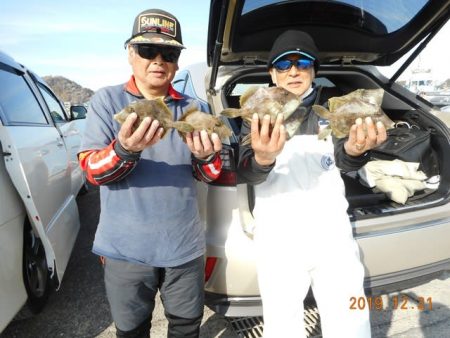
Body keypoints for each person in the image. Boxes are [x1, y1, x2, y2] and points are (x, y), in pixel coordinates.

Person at [77, 9, 223, 338]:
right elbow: (91, 170)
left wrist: (206, 155)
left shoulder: (194, 108)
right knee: (131, 330)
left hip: (184, 248)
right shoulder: (106, 101)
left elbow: (212, 174)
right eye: (147, 51)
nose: (158, 60)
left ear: (176, 60)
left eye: (169, 53)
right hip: (125, 249)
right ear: (130, 53)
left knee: (187, 327)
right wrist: (124, 149)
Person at [238, 30, 388, 337]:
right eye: (283, 64)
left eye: (302, 62)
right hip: (278, 237)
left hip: (331, 233)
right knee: (282, 325)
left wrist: (356, 150)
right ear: (272, 73)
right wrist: (263, 158)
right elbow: (245, 172)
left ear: (313, 70)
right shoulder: (256, 111)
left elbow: (345, 160)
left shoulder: (334, 108)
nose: (293, 71)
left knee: (350, 321)